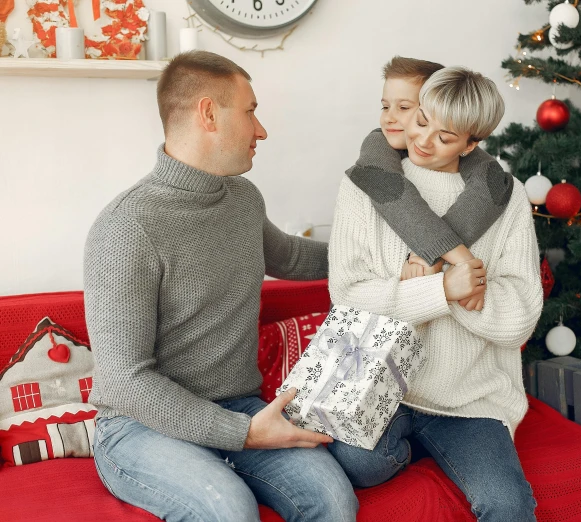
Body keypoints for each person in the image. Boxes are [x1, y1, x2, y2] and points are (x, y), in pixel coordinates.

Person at [83, 51, 358, 522]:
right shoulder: (127, 228)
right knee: (229, 509)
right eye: (251, 112)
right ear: (208, 113)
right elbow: (125, 382)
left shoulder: (242, 198)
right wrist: (244, 433)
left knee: (333, 499)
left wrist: (381, 258)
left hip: (237, 406)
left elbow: (290, 256)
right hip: (140, 425)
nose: (262, 130)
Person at [328, 66, 543, 521]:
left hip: (472, 400)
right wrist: (444, 289)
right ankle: (419, 449)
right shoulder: (364, 188)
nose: (423, 140)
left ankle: (445, 445)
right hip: (383, 386)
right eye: (421, 120)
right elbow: (348, 295)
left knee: (508, 505)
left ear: (471, 144)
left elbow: (520, 315)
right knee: (359, 465)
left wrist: (416, 290)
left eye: (445, 137)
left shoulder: (508, 199)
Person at [347, 56, 515, 311]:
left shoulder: (486, 172)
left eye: (404, 108)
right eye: (385, 107)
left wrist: (428, 257)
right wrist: (459, 263)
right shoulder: (374, 153)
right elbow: (397, 198)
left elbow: (491, 185)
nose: (390, 118)